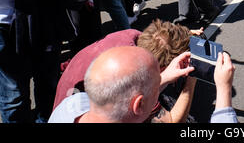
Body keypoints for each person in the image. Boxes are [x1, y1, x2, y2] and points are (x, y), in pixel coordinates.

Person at [52, 20, 202, 122]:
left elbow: (161, 38)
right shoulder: (138, 87)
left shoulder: (132, 36)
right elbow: (172, 121)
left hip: (67, 98)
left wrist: (185, 35)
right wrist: (192, 79)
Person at [49, 46, 237, 123]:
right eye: (157, 89)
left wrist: (162, 78)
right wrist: (223, 89)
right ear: (138, 105)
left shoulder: (71, 105)